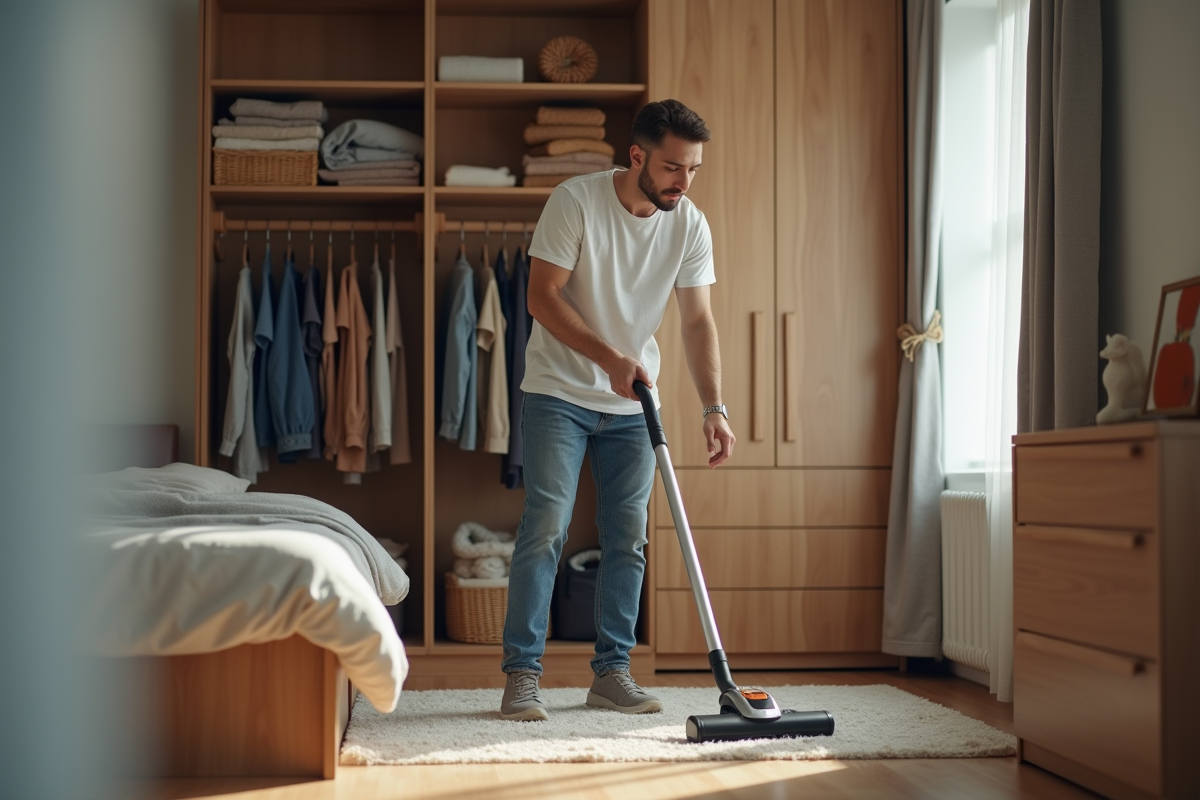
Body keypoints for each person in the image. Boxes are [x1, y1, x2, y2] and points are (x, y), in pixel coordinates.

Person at [500, 99, 735, 720]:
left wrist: (714, 406)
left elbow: (698, 320)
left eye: (693, 170)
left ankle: (612, 673)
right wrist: (608, 358)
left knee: (628, 539)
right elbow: (541, 297)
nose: (683, 183)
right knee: (546, 527)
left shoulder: (688, 224)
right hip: (558, 392)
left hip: (634, 403)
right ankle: (522, 675)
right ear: (638, 157)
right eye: (673, 168)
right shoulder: (574, 202)